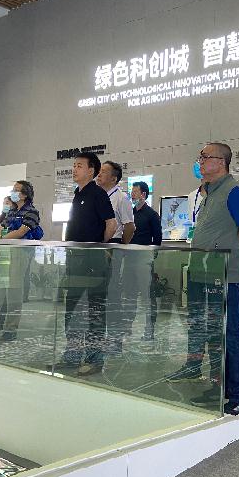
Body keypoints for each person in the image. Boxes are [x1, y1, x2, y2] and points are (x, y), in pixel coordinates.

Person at [170, 142, 239, 419]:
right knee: (212, 334)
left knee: (231, 334)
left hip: (223, 276)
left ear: (221, 162)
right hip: (202, 272)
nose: (200, 161)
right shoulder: (208, 193)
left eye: (205, 157)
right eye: (200, 157)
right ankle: (220, 388)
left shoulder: (234, 192)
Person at [57, 152, 117, 375]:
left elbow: (111, 224)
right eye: (74, 165)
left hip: (92, 262)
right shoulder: (77, 194)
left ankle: (94, 359)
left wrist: (98, 247)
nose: (74, 169)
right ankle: (72, 355)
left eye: (79, 166)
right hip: (75, 261)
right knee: (72, 309)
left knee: (94, 312)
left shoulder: (97, 193)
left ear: (91, 171)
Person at [0, 181, 42, 342]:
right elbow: (0, 228)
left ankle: (10, 329)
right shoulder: (11, 211)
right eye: (13, 189)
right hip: (2, 252)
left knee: (13, 291)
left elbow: (21, 232)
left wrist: (1, 239)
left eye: (16, 190)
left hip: (19, 252)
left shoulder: (32, 211)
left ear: (24, 195)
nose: (13, 192)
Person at [96, 160, 136, 349]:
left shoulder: (121, 198)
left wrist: (120, 248)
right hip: (98, 246)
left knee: (112, 294)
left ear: (114, 178)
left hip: (113, 246)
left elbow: (129, 227)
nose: (99, 174)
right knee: (99, 293)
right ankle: (99, 335)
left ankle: (115, 338)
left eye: (103, 172)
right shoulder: (98, 195)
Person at [130, 181, 162, 342]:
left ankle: (149, 331)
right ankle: (126, 329)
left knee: (148, 297)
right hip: (129, 259)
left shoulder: (151, 214)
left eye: (135, 191)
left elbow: (157, 239)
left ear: (143, 194)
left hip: (144, 260)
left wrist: (150, 258)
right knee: (129, 295)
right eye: (132, 191)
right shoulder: (130, 213)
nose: (132, 194)